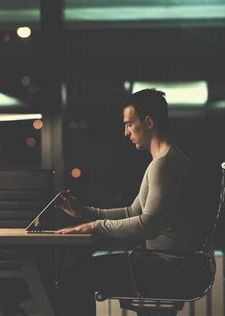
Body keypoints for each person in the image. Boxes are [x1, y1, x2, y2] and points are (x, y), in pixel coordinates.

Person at [53, 88, 199, 316]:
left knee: (75, 276)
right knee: (79, 273)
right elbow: (133, 211)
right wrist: (83, 212)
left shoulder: (164, 165)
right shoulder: (165, 161)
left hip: (170, 270)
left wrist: (95, 226)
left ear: (148, 122)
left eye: (130, 124)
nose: (126, 132)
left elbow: (148, 226)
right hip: (172, 266)